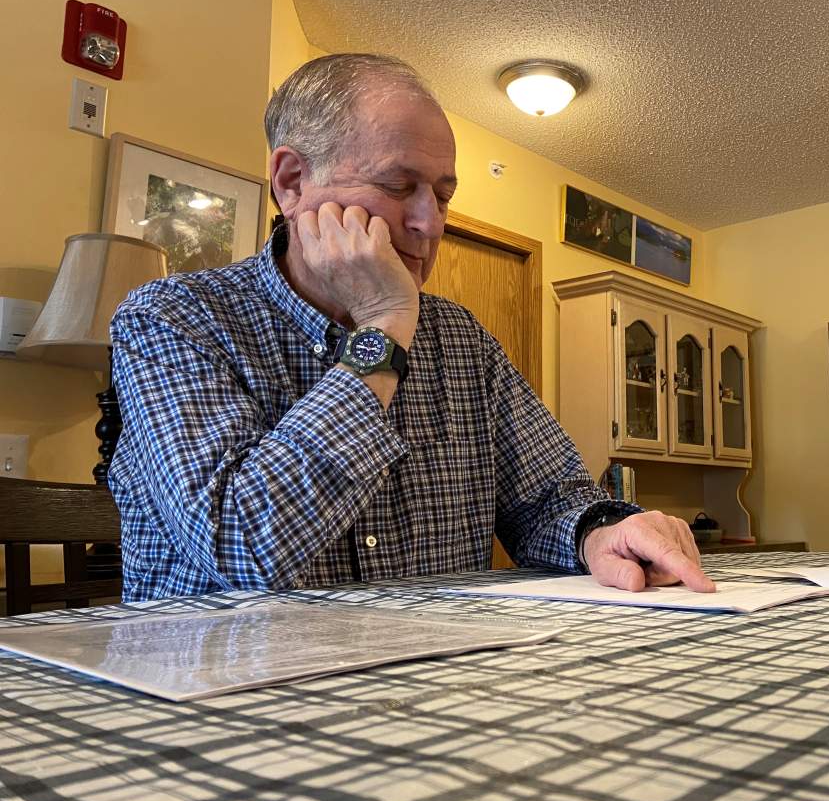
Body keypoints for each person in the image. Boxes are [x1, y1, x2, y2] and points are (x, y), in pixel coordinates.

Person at [109, 53, 714, 602]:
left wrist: (600, 532)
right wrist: (384, 330)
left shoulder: (463, 341)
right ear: (292, 182)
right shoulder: (171, 319)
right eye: (398, 187)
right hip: (224, 700)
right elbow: (242, 545)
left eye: (443, 196)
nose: (430, 223)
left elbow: (548, 501)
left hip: (435, 688)